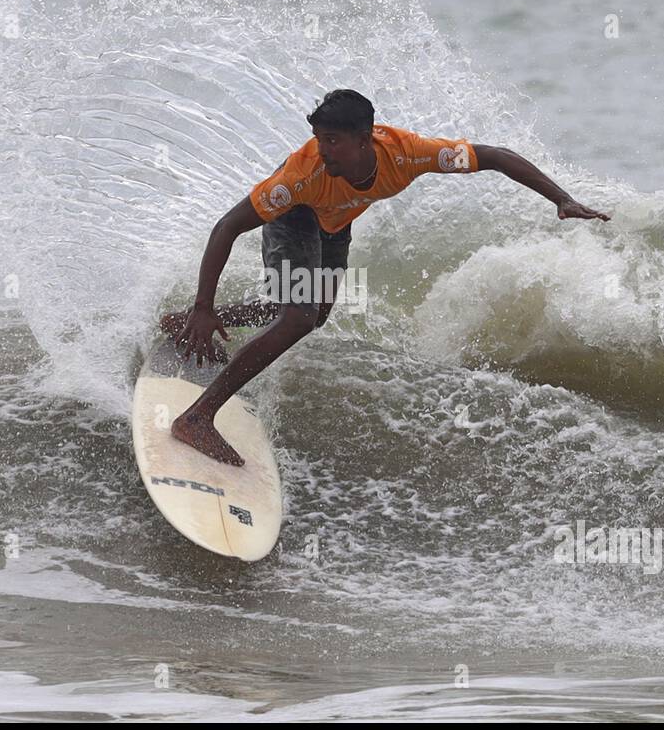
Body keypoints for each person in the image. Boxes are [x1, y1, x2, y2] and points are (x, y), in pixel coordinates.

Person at [160, 89, 609, 465]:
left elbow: (493, 157)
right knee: (296, 318)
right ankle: (197, 417)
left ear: (364, 140)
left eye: (332, 140)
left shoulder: (407, 153)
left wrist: (562, 199)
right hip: (296, 217)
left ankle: (196, 322)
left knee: (311, 315)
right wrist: (204, 300)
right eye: (317, 138)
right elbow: (227, 227)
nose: (322, 149)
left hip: (336, 223)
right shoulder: (301, 176)